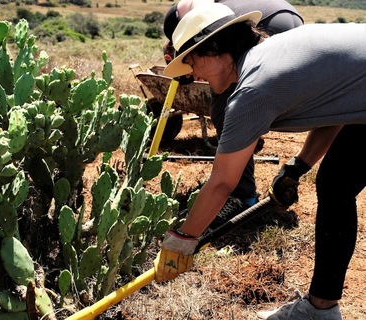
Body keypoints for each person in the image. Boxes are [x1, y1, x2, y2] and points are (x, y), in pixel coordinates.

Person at [155, 2, 366, 319]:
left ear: (214, 47)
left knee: (336, 186)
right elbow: (337, 110)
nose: (192, 73)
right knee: (335, 185)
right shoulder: (272, 51)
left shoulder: (254, 87)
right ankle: (320, 308)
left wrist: (182, 241)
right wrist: (297, 169)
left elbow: (223, 182)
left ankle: (319, 309)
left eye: (191, 61)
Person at [162, 0, 303, 229]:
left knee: (226, 111)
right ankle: (249, 145)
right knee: (250, 106)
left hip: (266, 25)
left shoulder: (206, 22)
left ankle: (243, 197)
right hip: (291, 18)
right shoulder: (211, 6)